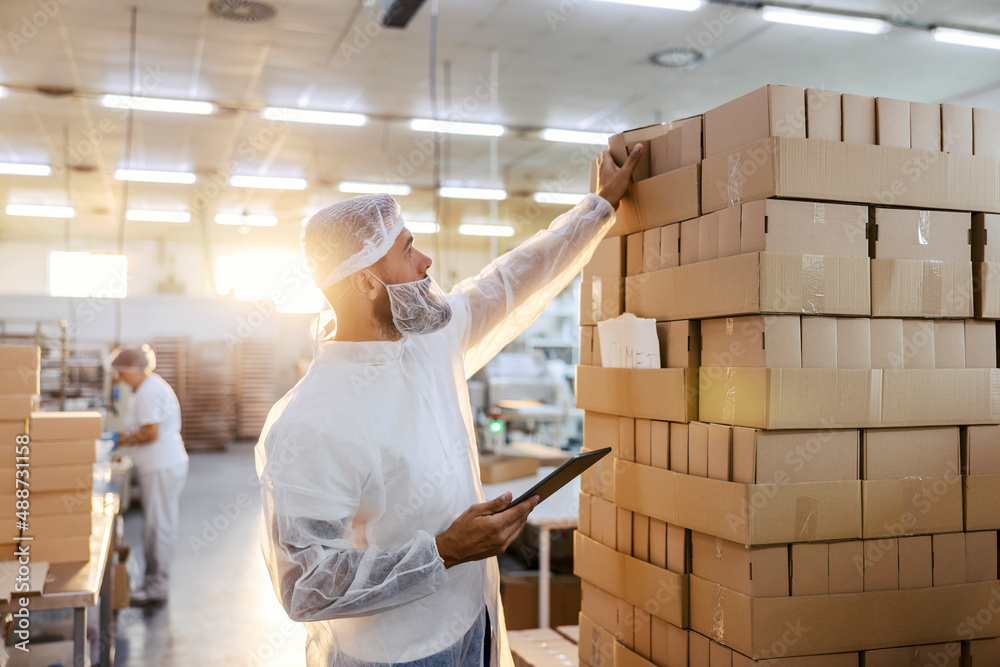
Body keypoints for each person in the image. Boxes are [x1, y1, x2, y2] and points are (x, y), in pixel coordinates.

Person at [255, 146, 642, 666]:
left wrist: (598, 208)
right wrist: (444, 550)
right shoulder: (312, 422)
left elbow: (509, 283)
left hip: (472, 618)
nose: (426, 261)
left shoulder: (426, 341)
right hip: (396, 653)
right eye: (407, 250)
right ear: (367, 282)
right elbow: (307, 584)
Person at [111, 344, 189, 607]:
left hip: (161, 465)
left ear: (134, 368)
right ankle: (153, 581)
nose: (119, 380)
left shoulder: (148, 391)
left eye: (122, 373)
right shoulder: (148, 388)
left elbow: (150, 432)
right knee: (157, 525)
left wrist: (121, 439)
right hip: (160, 465)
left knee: (159, 527)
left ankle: (157, 586)